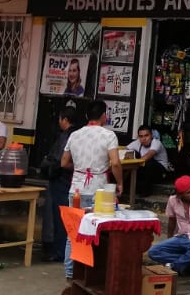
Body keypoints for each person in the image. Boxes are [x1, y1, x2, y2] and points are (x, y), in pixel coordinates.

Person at [60, 100, 124, 279]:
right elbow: (115, 163)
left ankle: (71, 273)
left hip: (77, 189)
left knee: (73, 232)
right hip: (100, 190)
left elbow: (64, 162)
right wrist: (120, 183)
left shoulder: (74, 135)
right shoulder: (108, 135)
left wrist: (81, 168)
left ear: (87, 116)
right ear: (104, 116)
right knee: (99, 231)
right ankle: (93, 274)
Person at [148, 175, 190, 275]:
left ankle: (172, 266)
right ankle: (187, 263)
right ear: (180, 195)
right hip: (181, 236)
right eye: (188, 192)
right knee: (153, 251)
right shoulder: (173, 200)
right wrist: (169, 238)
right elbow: (172, 221)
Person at [39, 106, 78, 263]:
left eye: (60, 119)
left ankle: (59, 251)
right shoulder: (77, 135)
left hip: (61, 180)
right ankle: (62, 250)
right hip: (71, 180)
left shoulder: (67, 136)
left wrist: (49, 166)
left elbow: (61, 160)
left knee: (60, 217)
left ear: (65, 120)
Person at [125, 124, 173, 195]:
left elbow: (148, 155)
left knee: (148, 162)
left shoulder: (156, 143)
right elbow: (125, 150)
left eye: (146, 135)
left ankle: (145, 191)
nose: (144, 139)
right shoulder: (138, 142)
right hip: (144, 169)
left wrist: (134, 166)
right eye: (141, 136)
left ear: (151, 136)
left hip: (161, 172)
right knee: (133, 156)